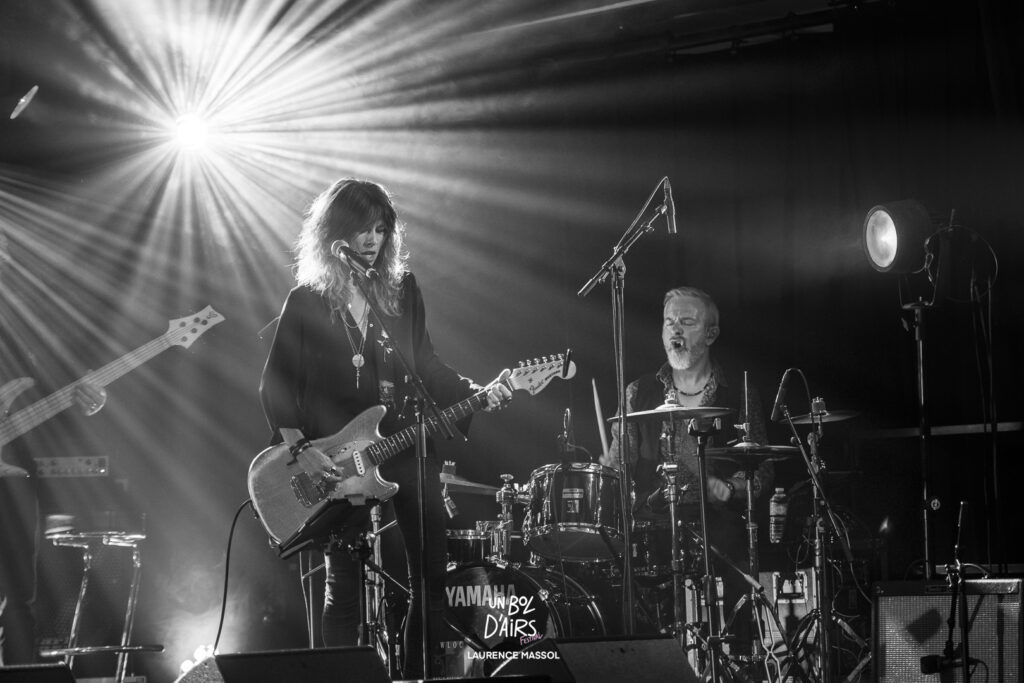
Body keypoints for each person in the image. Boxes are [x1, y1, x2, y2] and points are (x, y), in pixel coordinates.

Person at [259, 178, 511, 677]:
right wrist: (302, 448)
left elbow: (427, 366)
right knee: (343, 589)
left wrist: (480, 391)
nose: (372, 240)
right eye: (362, 229)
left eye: (380, 229)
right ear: (335, 233)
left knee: (430, 582)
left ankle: (417, 675)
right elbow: (275, 384)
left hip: (402, 445)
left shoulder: (400, 291)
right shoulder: (307, 300)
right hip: (332, 458)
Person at [599, 286, 772, 652]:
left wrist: (733, 487)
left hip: (716, 520)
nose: (675, 329)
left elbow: (762, 469)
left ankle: (740, 659)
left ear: (710, 333)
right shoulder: (637, 393)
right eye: (669, 322)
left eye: (687, 322)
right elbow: (618, 466)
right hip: (655, 519)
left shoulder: (738, 393)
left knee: (738, 558)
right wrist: (607, 467)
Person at [0, 229, 108, 664]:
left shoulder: (21, 314)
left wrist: (90, 396)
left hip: (10, 477)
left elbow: (54, 381)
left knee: (18, 599)